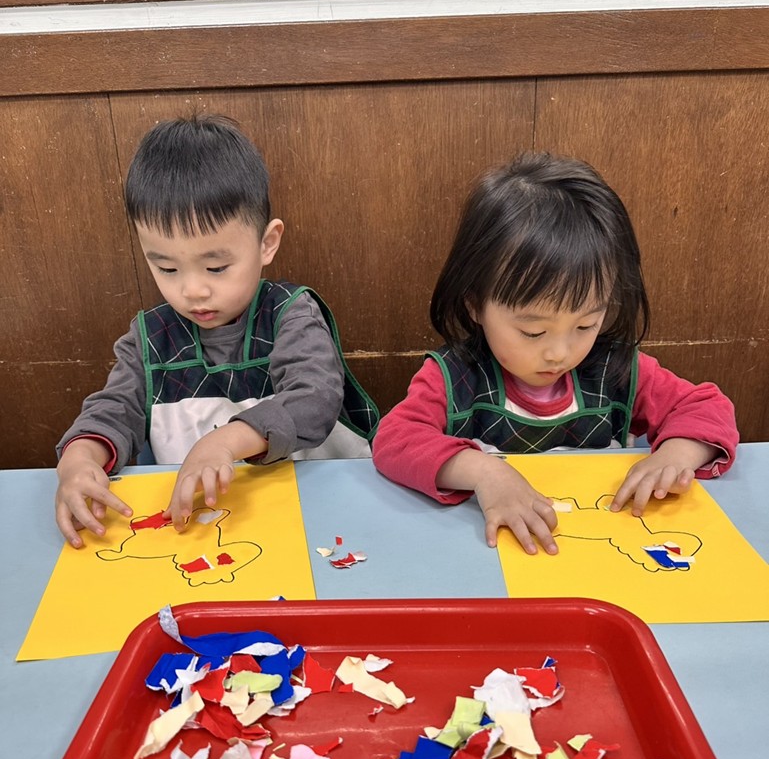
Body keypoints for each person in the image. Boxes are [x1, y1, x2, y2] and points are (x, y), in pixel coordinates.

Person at [372, 152, 738, 556]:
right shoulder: (456, 376)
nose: (560, 353)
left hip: (596, 555)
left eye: (585, 325)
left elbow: (707, 407)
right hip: (488, 556)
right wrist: (484, 472)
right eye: (533, 331)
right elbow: (394, 440)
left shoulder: (616, 369)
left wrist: (676, 454)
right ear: (475, 304)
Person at [56, 114, 378, 547]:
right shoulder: (150, 339)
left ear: (267, 243)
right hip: (208, 528)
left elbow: (315, 398)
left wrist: (226, 441)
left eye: (216, 267)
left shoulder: (290, 314)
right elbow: (113, 410)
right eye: (166, 268)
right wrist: (79, 461)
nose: (192, 290)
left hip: (319, 512)